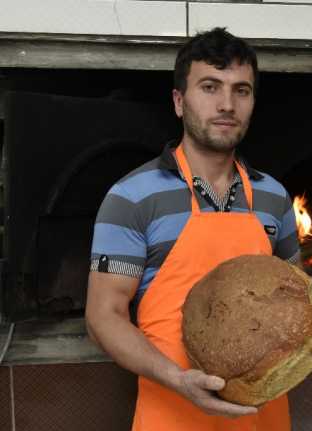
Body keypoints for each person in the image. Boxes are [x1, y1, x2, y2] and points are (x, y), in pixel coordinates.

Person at [85, 27, 299, 431]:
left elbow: (296, 299)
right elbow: (103, 316)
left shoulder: (274, 197)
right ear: (179, 102)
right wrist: (177, 380)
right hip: (172, 411)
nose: (226, 104)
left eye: (241, 91)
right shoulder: (131, 197)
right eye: (209, 87)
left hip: (262, 419)